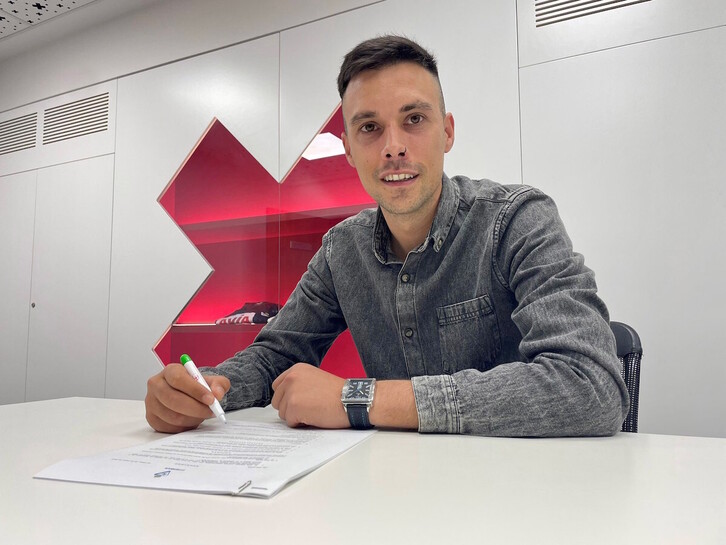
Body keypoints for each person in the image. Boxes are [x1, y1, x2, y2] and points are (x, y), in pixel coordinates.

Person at [145, 35, 629, 437]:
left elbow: (590, 385)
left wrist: (356, 398)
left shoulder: (516, 221)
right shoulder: (341, 251)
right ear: (351, 152)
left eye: (414, 120)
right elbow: (278, 353)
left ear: (447, 133)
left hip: (518, 489)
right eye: (370, 128)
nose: (393, 146)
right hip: (389, 493)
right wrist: (203, 387)